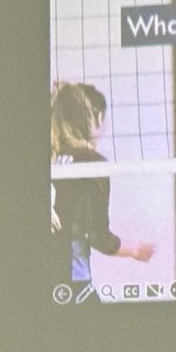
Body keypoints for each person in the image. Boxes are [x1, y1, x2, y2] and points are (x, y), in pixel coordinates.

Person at [50, 83, 155, 296]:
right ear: (95, 118)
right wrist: (135, 249)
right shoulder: (93, 162)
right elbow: (99, 237)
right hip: (70, 280)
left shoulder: (50, 156)